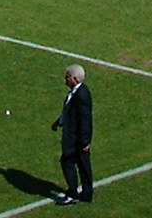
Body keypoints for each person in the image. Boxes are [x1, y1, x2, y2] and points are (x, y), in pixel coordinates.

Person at [51, 63, 93, 205]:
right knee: (82, 164)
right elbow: (70, 112)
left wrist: (85, 142)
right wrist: (58, 122)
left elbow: (85, 119)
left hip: (76, 138)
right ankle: (86, 193)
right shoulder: (77, 92)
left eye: (68, 76)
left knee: (67, 161)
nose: (65, 79)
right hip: (77, 137)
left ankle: (73, 193)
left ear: (75, 79)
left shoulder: (81, 95)